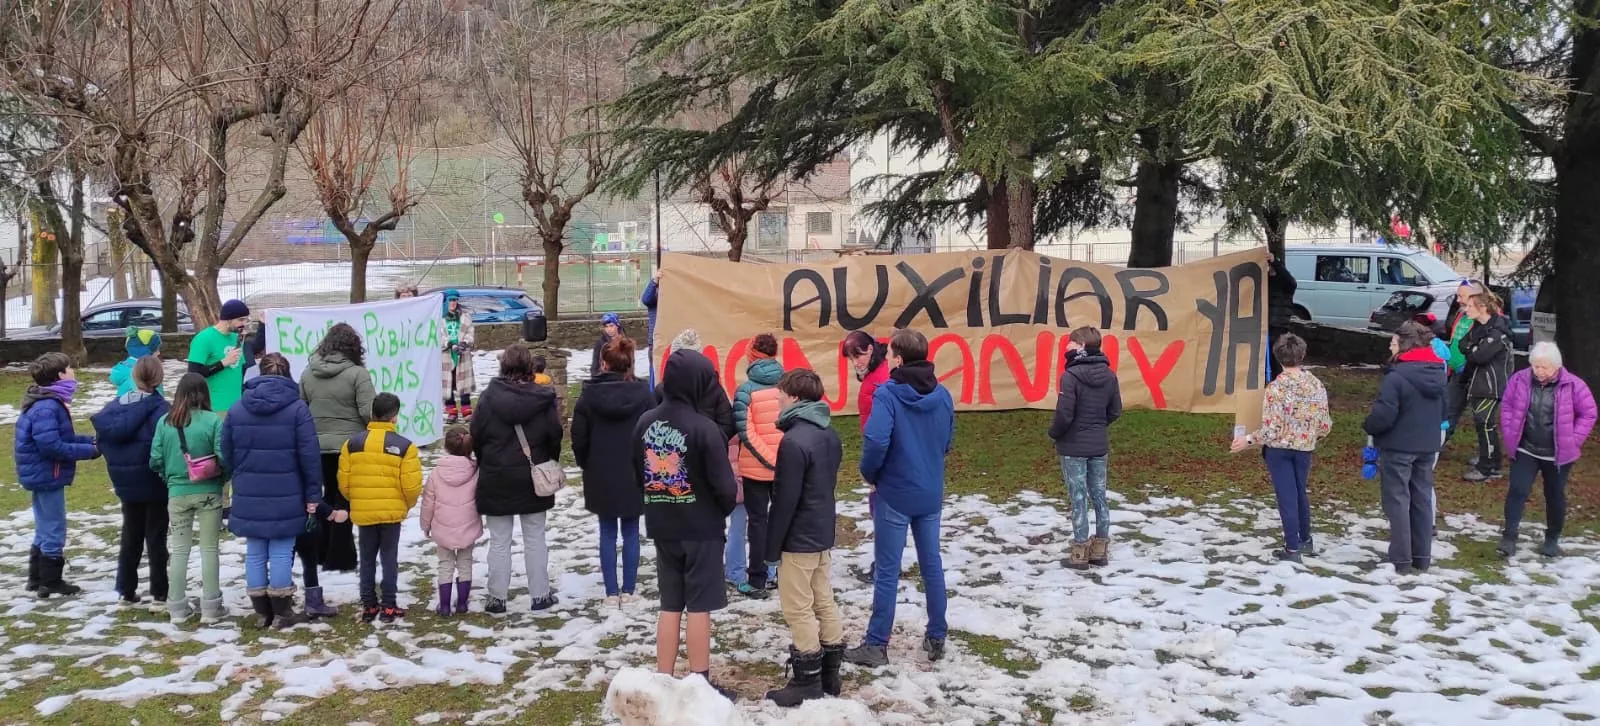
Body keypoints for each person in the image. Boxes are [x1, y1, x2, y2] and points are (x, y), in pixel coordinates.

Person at [845, 329, 955, 667]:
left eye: (891, 353)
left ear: (900, 359)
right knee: (931, 563)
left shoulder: (888, 395)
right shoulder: (944, 395)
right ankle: (937, 634)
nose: (887, 358)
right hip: (930, 490)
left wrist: (871, 474)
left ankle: (877, 643)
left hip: (895, 490)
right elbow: (947, 440)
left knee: (888, 569)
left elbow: (875, 440)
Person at [633, 349, 740, 696]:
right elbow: (725, 487)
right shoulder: (705, 427)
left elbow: (640, 474)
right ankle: (699, 683)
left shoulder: (644, 423)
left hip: (662, 522)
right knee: (699, 606)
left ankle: (662, 679)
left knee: (670, 603)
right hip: (701, 527)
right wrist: (716, 512)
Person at [221, 353, 323, 629]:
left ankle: (262, 611)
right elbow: (309, 456)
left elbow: (226, 452)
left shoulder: (237, 408)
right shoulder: (298, 409)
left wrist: (239, 473)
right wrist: (314, 495)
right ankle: (282, 611)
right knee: (280, 549)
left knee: (255, 550)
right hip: (288, 490)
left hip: (248, 488)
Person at [763, 369, 845, 707]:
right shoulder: (829, 434)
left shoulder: (794, 441)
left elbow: (785, 500)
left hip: (799, 537)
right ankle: (831, 673)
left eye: (780, 392)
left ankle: (807, 679)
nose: (777, 397)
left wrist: (771, 548)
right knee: (823, 598)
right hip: (822, 531)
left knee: (798, 608)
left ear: (794, 397)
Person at [472, 344, 564, 614]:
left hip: (497, 475)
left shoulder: (489, 398)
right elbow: (554, 434)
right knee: (535, 538)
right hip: (532, 474)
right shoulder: (543, 398)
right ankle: (540, 595)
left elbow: (476, 432)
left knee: (499, 540)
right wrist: (549, 459)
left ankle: (497, 597)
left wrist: (485, 460)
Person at [1231, 333, 1332, 563]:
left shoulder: (1276, 389)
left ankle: (1291, 548)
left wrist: (1247, 440)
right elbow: (1325, 424)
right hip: (1305, 447)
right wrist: (1310, 435)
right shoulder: (1316, 384)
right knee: (1299, 493)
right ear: (1303, 355)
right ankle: (1305, 539)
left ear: (1277, 357)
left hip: (1280, 450)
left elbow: (1272, 429)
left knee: (1287, 496)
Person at [572, 336, 656, 609]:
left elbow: (578, 437)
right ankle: (628, 589)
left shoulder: (589, 396)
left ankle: (611, 591)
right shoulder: (645, 395)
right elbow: (652, 433)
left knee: (607, 532)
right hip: (634, 470)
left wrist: (586, 463)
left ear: (603, 363)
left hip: (601, 470)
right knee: (631, 531)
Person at [297, 322, 373, 609]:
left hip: (315, 445)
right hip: (349, 446)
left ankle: (319, 552)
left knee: (321, 499)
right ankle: (341, 555)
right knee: (345, 498)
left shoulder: (307, 373)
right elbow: (368, 411)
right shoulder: (358, 374)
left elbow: (301, 408)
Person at [1497, 342, 1597, 557]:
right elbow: (1507, 405)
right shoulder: (1520, 379)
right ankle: (1509, 537)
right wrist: (1509, 431)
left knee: (1554, 495)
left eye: (1544, 367)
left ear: (1556, 367)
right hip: (1526, 448)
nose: (1539, 371)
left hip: (1558, 453)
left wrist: (1574, 439)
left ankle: (1552, 538)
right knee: (1517, 490)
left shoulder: (1573, 385)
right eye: (1536, 366)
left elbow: (1589, 413)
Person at [1363, 322, 1447, 575]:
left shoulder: (1397, 376)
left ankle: (1401, 559)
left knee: (1397, 501)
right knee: (1421, 499)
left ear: (1404, 346)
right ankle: (1421, 557)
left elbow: (1384, 414)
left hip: (1398, 446)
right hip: (1427, 445)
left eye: (1394, 342)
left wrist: (1369, 425)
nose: (1390, 345)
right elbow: (1445, 409)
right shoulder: (1438, 371)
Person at [16, 352, 100, 598]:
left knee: (44, 526)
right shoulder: (47, 407)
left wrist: (92, 441)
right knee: (54, 526)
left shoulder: (46, 402)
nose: (73, 372)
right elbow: (52, 446)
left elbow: (61, 438)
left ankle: (36, 578)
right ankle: (51, 581)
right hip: (47, 474)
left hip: (41, 474)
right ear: (60, 375)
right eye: (69, 368)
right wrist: (91, 451)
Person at [91, 356, 171, 607]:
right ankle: (160, 590)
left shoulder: (113, 410)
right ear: (159, 378)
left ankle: (126, 588)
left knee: (131, 535)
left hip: (125, 481)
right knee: (156, 536)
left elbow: (104, 442)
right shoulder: (162, 410)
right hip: (155, 481)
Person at [339, 393, 423, 624]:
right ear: (394, 417)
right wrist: (405, 504)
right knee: (389, 558)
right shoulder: (405, 446)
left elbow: (344, 483)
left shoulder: (352, 444)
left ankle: (368, 604)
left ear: (371, 414)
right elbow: (412, 486)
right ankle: (388, 605)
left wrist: (358, 499)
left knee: (366, 558)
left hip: (364, 511)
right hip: (391, 512)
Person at [151, 372, 228, 622]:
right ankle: (211, 606)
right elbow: (224, 456)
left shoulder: (165, 422)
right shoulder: (213, 421)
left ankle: (176, 606)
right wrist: (221, 478)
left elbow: (155, 459)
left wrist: (171, 479)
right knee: (209, 549)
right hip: (209, 492)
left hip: (177, 493)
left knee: (180, 550)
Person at [1049, 327, 1124, 570]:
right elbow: (1115, 411)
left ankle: (1080, 551)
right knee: (1099, 495)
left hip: (1073, 446)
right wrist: (1098, 426)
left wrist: (1055, 433)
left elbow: (1064, 413)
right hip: (1098, 444)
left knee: (1078, 497)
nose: (1067, 347)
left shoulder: (1069, 376)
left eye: (1071, 343)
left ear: (1081, 346)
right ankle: (1100, 549)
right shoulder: (1110, 375)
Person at [730, 333, 785, 599]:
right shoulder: (788, 385)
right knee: (782, 520)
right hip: (785, 467)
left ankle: (758, 579)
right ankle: (781, 574)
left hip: (754, 468)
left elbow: (745, 431)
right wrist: (779, 459)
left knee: (758, 523)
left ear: (752, 356)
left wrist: (766, 458)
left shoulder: (745, 390)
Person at [843, 330, 890, 584]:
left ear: (870, 350)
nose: (855, 362)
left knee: (882, 508)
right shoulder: (874, 373)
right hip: (875, 444)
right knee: (879, 508)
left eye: (858, 356)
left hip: (880, 449)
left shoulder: (881, 378)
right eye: (851, 358)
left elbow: (882, 422)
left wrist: (874, 461)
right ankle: (884, 562)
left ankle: (884, 565)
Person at [422, 426, 482, 616]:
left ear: (446, 447)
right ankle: (463, 603)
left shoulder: (436, 474)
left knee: (445, 564)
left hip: (442, 527)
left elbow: (428, 503)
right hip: (468, 524)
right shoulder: (476, 472)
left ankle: (445, 605)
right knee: (465, 562)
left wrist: (426, 525)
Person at [1460, 292, 1513, 481]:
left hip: (1491, 387)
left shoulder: (1496, 333)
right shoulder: (1479, 328)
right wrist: (1473, 349)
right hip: (1480, 384)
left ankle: (1486, 467)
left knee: (1485, 425)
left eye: (1469, 306)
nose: (1466, 310)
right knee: (1484, 424)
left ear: (1482, 308)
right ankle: (1492, 463)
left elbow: (1480, 356)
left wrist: (1474, 350)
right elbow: (1462, 344)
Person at [187, 299, 252, 413]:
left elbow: (240, 371)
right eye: (241, 320)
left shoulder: (236, 338)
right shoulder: (204, 338)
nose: (244, 324)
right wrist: (223, 363)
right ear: (228, 320)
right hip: (214, 407)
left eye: (246, 319)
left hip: (237, 406)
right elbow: (193, 374)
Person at [1443, 279, 1487, 443]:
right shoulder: (1461, 313)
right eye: (1458, 295)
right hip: (1456, 373)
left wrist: (1469, 365)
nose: (1458, 300)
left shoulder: (1488, 318)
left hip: (1476, 375)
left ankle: (1486, 457)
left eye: (1462, 296)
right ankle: (1437, 443)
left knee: (1482, 417)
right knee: (1447, 408)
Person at [440, 289, 478, 423]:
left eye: (455, 300)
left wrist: (464, 343)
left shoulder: (465, 317)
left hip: (462, 354)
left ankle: (466, 410)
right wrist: (448, 343)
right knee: (448, 384)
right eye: (450, 300)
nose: (453, 303)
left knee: (463, 382)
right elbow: (438, 337)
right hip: (446, 355)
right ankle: (452, 411)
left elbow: (470, 333)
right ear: (446, 301)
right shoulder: (440, 319)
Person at [1266, 252, 1298, 381]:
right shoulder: (1266, 282)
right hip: (1265, 325)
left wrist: (1274, 261)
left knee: (1276, 358)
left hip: (1278, 326)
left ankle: (1277, 382)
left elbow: (1291, 282)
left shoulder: (1286, 283)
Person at [110, 327, 163, 397]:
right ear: (146, 352)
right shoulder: (145, 373)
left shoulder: (124, 369)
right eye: (156, 349)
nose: (158, 353)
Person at [642, 267, 662, 386]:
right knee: (654, 373)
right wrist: (654, 281)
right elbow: (645, 299)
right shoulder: (655, 293)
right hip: (655, 341)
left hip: (670, 340)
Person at [591, 312, 624, 381]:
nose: (609, 329)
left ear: (617, 326)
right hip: (603, 378)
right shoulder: (600, 343)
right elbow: (595, 365)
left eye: (611, 326)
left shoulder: (624, 342)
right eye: (606, 326)